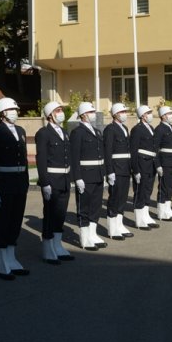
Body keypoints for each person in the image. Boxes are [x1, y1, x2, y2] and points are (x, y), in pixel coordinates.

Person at [0, 98, 36, 271]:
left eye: (16, 109)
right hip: (3, 183)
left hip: (19, 183)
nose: (15, 112)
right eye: (12, 109)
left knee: (15, 221)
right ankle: (1, 263)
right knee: (3, 222)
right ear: (3, 113)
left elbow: (24, 160)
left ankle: (11, 258)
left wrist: (26, 182)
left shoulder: (20, 130)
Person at [36, 101, 82, 257]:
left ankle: (57, 245)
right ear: (50, 115)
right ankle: (48, 248)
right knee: (50, 214)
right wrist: (45, 182)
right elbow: (41, 159)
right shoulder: (43, 133)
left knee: (61, 214)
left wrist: (73, 178)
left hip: (64, 179)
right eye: (58, 110)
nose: (61, 112)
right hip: (52, 180)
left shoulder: (64, 132)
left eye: (61, 110)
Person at [70, 102, 109, 249]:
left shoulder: (96, 131)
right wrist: (77, 177)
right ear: (83, 114)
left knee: (95, 206)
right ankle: (85, 238)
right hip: (85, 176)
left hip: (97, 174)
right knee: (84, 207)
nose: (93, 114)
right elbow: (75, 157)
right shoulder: (77, 132)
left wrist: (103, 174)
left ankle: (93, 234)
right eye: (91, 112)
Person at [103, 103, 133, 240]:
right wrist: (110, 171)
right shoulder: (110, 129)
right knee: (114, 198)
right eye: (122, 111)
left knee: (122, 198)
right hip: (116, 168)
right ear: (115, 114)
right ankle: (112, 228)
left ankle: (119, 225)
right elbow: (107, 152)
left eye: (125, 111)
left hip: (125, 168)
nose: (124, 113)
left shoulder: (124, 128)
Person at [130, 105, 159, 230]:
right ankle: (139, 220)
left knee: (148, 191)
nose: (151, 115)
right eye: (148, 112)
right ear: (142, 116)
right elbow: (133, 150)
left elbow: (154, 148)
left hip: (150, 164)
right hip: (142, 163)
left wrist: (157, 165)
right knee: (140, 192)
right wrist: (135, 169)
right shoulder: (137, 129)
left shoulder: (150, 128)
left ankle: (146, 216)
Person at [153, 106, 172, 221]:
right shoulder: (159, 129)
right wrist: (158, 165)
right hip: (165, 162)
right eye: (169, 113)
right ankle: (161, 211)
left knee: (170, 186)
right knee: (164, 187)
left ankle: (167, 209)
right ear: (163, 116)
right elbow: (155, 148)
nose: (171, 115)